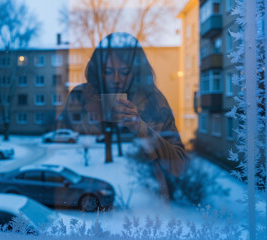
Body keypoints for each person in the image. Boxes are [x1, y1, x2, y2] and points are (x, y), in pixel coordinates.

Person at [58, 32, 189, 201]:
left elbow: (179, 165)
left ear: (136, 72)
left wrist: (140, 127)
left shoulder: (153, 101)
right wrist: (89, 119)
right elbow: (62, 141)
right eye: (108, 71)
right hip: (87, 200)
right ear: (98, 71)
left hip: (146, 203)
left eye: (125, 72)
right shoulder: (80, 96)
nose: (116, 79)